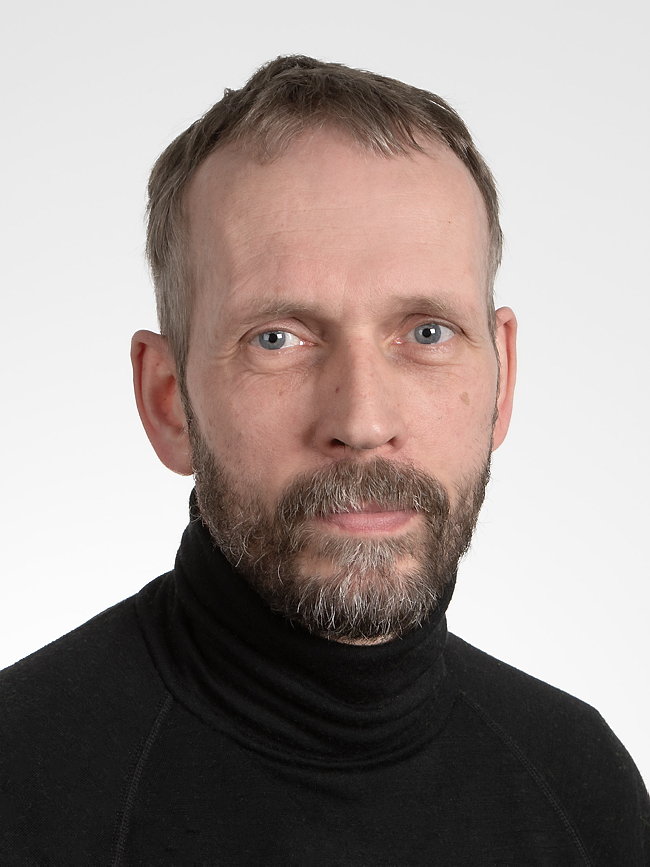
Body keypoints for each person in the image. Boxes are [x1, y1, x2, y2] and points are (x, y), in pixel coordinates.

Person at [1, 55, 648, 865]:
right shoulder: (18, 783)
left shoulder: (583, 786)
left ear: (503, 378)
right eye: (277, 339)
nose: (362, 421)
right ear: (169, 400)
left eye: (427, 332)